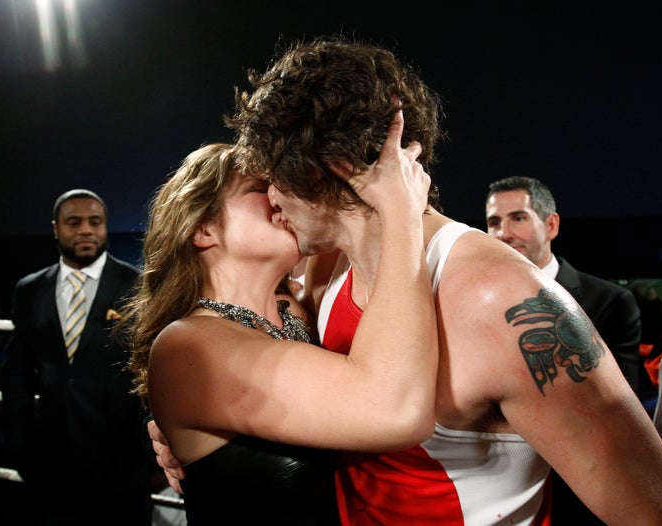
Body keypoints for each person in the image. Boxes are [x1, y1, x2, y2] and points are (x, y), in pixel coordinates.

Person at [149, 35, 662, 525]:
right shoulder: (324, 271)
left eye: (273, 179)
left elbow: (656, 510)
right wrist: (215, 450)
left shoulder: (498, 296)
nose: (274, 201)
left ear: (318, 172)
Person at [122, 117, 438, 526]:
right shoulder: (187, 345)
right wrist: (401, 212)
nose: (279, 195)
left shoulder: (300, 310)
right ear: (202, 228)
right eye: (258, 189)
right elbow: (397, 412)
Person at [484, 175, 644, 524]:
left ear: (551, 225)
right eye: (494, 222)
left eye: (518, 218)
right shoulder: (471, 304)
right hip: (493, 490)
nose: (503, 233)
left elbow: (619, 409)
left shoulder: (610, 302)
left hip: (580, 496)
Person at [0, 189, 155, 526]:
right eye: (74, 222)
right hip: (51, 461)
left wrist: (149, 457)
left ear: (104, 226)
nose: (86, 230)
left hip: (121, 464)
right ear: (57, 229)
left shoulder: (138, 286)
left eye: (94, 222)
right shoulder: (30, 288)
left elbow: (152, 372)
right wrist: (20, 440)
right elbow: (17, 371)